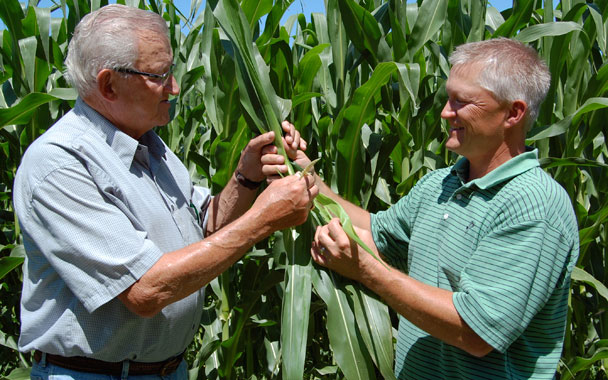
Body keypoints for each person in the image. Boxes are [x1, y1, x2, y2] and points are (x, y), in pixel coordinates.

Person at [13, 4, 318, 379]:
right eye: (159, 76)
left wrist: (247, 176)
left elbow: (207, 225)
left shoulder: (153, 149)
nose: (174, 87)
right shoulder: (60, 164)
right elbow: (145, 290)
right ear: (109, 84)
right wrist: (264, 220)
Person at [264, 38, 579, 379]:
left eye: (462, 102)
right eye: (448, 98)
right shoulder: (441, 184)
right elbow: (378, 232)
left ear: (513, 113)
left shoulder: (534, 207)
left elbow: (476, 332)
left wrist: (366, 270)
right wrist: (307, 176)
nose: (445, 112)